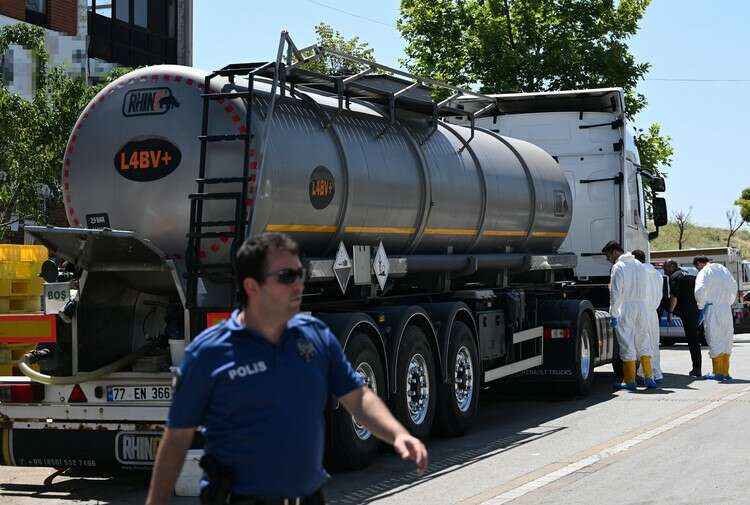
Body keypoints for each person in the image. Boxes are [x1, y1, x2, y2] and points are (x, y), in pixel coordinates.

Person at [145, 233, 428, 505]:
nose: (298, 285)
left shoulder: (316, 337)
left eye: (300, 273)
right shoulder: (208, 353)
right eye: (286, 277)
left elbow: (357, 397)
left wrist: (398, 434)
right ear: (251, 287)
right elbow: (177, 438)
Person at [602, 241, 655, 390]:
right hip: (642, 306)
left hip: (626, 307)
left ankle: (630, 380)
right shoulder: (639, 265)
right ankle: (649, 377)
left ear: (614, 252)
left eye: (607, 255)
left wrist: (613, 313)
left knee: (627, 343)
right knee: (643, 339)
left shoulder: (618, 266)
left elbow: (616, 292)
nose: (608, 259)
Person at [694, 256, 737, 381]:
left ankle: (717, 372)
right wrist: (728, 302)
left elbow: (700, 289)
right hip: (726, 309)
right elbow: (733, 287)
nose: (697, 269)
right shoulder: (724, 270)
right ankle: (725, 372)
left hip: (713, 308)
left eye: (697, 267)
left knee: (714, 337)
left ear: (700, 263)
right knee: (726, 338)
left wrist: (701, 305)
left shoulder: (704, 272)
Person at [662, 259, 701, 377]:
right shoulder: (689, 274)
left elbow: (674, 296)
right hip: (694, 309)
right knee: (693, 340)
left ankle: (697, 368)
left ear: (673, 266)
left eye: (666, 268)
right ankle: (697, 368)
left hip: (684, 310)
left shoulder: (674, 277)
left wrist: (670, 312)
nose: (664, 271)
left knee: (662, 300)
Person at [632, 249, 663, 384]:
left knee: (642, 344)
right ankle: (656, 373)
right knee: (654, 344)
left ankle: (646, 374)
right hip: (653, 312)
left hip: (641, 310)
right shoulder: (657, 274)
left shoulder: (638, 272)